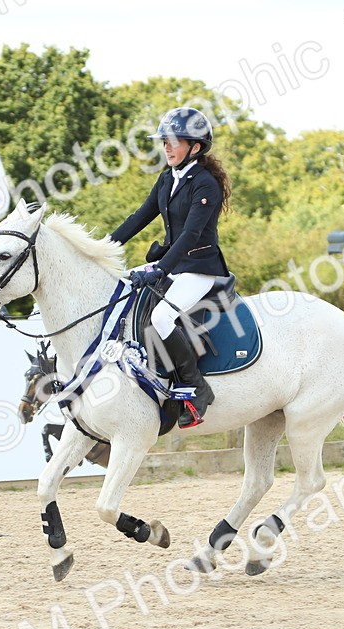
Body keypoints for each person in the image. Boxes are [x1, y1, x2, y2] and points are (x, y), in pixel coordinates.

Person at [109, 106, 231, 428]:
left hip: (200, 267)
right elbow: (139, 218)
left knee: (161, 316)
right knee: (120, 285)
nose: (166, 147)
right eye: (164, 141)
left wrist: (161, 268)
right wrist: (102, 249)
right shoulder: (166, 179)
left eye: (174, 141)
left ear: (195, 146)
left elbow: (191, 234)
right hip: (174, 264)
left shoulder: (205, 184)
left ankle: (197, 390)